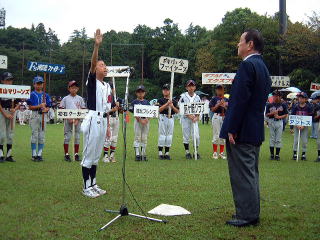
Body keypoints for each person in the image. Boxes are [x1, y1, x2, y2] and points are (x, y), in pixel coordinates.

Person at [220, 29, 271, 227]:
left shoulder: (247, 66)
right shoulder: (262, 67)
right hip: (254, 128)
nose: (238, 45)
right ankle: (250, 211)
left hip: (242, 130)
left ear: (250, 44)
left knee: (242, 174)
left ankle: (247, 215)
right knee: (250, 173)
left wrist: (231, 127)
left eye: (241, 41)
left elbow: (240, 100)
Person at [80, 29, 111, 198]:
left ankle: (93, 183)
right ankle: (86, 187)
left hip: (102, 119)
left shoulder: (107, 86)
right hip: (92, 118)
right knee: (89, 153)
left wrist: (107, 126)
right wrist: (96, 46)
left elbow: (107, 106)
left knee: (97, 154)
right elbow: (92, 65)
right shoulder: (92, 81)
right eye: (101, 65)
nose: (104, 67)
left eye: (105, 65)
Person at [59, 80, 86, 162]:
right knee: (67, 137)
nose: (74, 89)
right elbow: (61, 109)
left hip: (78, 120)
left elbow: (83, 109)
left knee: (77, 137)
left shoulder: (80, 98)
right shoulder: (65, 98)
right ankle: (66, 154)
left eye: (75, 88)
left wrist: (77, 119)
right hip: (68, 120)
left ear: (77, 89)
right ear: (69, 88)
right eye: (72, 88)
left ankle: (76, 154)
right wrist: (68, 118)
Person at [27, 76, 51, 162]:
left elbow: (48, 106)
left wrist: (46, 109)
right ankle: (34, 153)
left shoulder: (46, 95)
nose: (39, 85)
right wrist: (39, 106)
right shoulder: (31, 94)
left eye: (41, 83)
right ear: (34, 84)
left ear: (43, 84)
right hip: (35, 114)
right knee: (34, 134)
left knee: (42, 135)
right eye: (37, 83)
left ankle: (40, 154)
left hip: (43, 115)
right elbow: (29, 107)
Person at [0, 72, 20, 163]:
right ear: (2, 80)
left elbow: (18, 102)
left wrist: (15, 109)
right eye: (7, 80)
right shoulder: (1, 89)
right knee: (2, 134)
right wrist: (5, 114)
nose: (9, 82)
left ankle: (9, 155)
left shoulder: (15, 89)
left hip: (12, 112)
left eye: (10, 80)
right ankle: (0, 154)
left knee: (10, 134)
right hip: (2, 112)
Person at [178, 80, 201, 159]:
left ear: (195, 87)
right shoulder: (183, 96)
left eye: (192, 86)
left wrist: (197, 117)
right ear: (186, 87)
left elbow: (200, 108)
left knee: (196, 136)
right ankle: (187, 152)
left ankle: (196, 151)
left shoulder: (197, 97)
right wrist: (188, 115)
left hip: (194, 119)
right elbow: (180, 107)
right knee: (186, 136)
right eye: (189, 86)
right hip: (186, 119)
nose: (191, 87)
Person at [157, 83, 179, 160]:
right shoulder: (160, 100)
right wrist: (167, 104)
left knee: (169, 136)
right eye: (164, 89)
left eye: (167, 89)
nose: (165, 91)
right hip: (163, 117)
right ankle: (160, 152)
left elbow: (177, 111)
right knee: (162, 135)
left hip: (171, 118)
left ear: (170, 91)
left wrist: (172, 106)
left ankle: (167, 152)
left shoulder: (174, 101)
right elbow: (159, 110)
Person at [265, 91, 288, 161]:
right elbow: (266, 114)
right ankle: (272, 155)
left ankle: (277, 155)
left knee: (278, 139)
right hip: (271, 121)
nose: (275, 97)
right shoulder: (269, 104)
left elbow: (286, 114)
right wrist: (272, 113)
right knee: (272, 138)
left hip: (279, 122)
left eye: (277, 95)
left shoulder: (283, 104)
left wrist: (279, 117)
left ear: (280, 97)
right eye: (274, 95)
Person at [291, 92, 313, 161]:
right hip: (296, 125)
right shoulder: (295, 106)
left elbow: (310, 117)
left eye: (302, 98)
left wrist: (303, 125)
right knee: (296, 140)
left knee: (304, 140)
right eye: (299, 98)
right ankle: (295, 153)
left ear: (305, 99)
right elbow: (292, 116)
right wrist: (294, 125)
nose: (300, 99)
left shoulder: (308, 107)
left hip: (305, 126)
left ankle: (303, 154)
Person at [103, 84, 122, 163]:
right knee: (108, 138)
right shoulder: (105, 98)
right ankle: (105, 156)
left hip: (116, 119)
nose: (111, 90)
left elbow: (122, 111)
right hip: (109, 118)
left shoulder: (118, 99)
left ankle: (112, 155)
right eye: (109, 88)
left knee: (115, 138)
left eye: (112, 88)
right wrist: (112, 110)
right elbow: (104, 112)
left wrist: (119, 106)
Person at [131, 85, 150, 161]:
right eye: (139, 92)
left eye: (142, 92)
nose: (140, 93)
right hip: (138, 120)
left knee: (144, 137)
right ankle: (137, 154)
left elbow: (151, 112)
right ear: (136, 93)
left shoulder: (147, 102)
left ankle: (143, 153)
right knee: (137, 137)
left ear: (144, 93)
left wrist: (147, 119)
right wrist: (139, 119)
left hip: (146, 121)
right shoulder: (134, 102)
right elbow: (133, 111)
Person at [209, 84, 228, 160]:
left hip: (224, 117)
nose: (219, 90)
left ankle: (221, 153)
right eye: (218, 89)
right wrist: (218, 105)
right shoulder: (214, 99)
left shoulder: (227, 99)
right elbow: (212, 110)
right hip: (216, 116)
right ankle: (215, 152)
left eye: (221, 89)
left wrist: (225, 106)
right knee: (216, 134)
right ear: (216, 90)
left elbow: (230, 110)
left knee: (223, 135)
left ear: (224, 90)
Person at [314, 97, 320, 162]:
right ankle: (319, 156)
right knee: (318, 141)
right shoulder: (318, 106)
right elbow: (316, 116)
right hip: (319, 123)